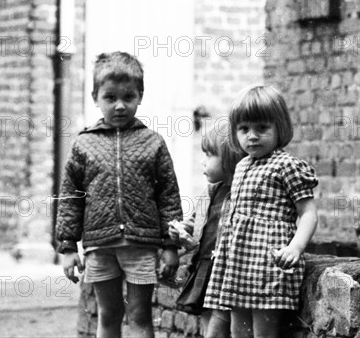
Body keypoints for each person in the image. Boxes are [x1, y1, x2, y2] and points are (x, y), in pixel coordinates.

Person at [56, 52, 182, 338]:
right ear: (95, 97)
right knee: (109, 314)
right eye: (110, 97)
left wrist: (171, 247)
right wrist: (66, 247)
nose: (120, 105)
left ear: (140, 95)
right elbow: (69, 199)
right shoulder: (84, 144)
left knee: (139, 315)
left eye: (129, 97)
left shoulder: (153, 143)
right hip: (100, 245)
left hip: (141, 243)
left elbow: (169, 197)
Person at [203, 85, 319, 338]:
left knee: (264, 332)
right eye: (244, 129)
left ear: (280, 128)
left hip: (268, 261)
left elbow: (308, 212)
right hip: (238, 260)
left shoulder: (287, 165)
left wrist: (295, 247)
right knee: (238, 331)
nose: (252, 136)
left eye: (262, 128)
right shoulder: (243, 165)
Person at [169, 120, 246, 338]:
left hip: (226, 270)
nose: (203, 162)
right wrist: (181, 231)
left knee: (218, 329)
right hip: (204, 267)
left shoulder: (242, 195)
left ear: (231, 159)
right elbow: (197, 225)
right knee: (206, 325)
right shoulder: (210, 193)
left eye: (210, 155)